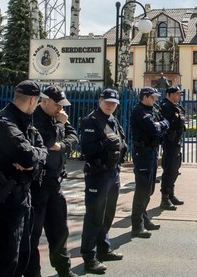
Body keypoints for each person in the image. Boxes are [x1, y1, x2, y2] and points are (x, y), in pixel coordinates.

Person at [0, 80, 47, 277]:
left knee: (23, 256)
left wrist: (34, 159)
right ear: (31, 100)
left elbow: (42, 152)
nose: (38, 106)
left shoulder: (24, 121)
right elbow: (27, 156)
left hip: (23, 197)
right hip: (5, 199)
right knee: (6, 260)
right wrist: (33, 158)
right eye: (38, 101)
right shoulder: (4, 122)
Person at [25, 85, 78, 277]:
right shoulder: (34, 118)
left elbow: (74, 137)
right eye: (57, 104)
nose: (60, 109)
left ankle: (64, 269)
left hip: (55, 182)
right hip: (38, 183)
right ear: (44, 101)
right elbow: (45, 142)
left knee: (59, 230)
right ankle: (33, 273)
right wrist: (59, 126)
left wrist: (61, 145)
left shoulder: (60, 117)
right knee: (33, 234)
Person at [79, 88, 126, 274]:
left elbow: (119, 141)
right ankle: (89, 257)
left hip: (113, 173)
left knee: (108, 214)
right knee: (94, 216)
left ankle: (103, 248)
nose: (110, 106)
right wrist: (107, 143)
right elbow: (86, 149)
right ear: (100, 101)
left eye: (113, 103)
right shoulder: (91, 120)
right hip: (97, 174)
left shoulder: (112, 119)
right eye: (107, 102)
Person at [129, 87, 169, 239]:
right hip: (143, 153)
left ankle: (144, 219)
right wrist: (160, 125)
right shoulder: (140, 112)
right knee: (142, 189)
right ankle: (137, 225)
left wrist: (161, 125)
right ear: (145, 97)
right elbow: (154, 128)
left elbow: (164, 122)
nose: (155, 100)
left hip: (151, 151)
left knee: (150, 188)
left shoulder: (152, 110)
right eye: (152, 97)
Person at [158, 86, 186, 210]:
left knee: (175, 169)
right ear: (169, 94)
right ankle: (164, 198)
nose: (178, 96)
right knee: (169, 169)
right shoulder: (165, 107)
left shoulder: (177, 107)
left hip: (176, 142)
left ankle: (171, 195)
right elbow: (169, 124)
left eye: (179, 94)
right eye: (176, 94)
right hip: (169, 143)